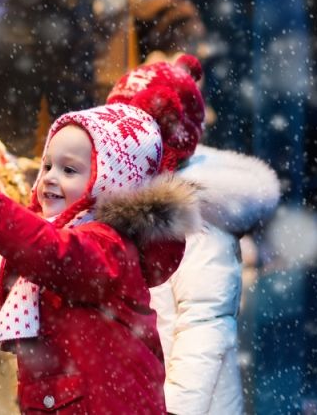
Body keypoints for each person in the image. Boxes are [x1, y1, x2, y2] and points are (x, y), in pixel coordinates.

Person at [0, 89, 201, 412]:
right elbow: (46, 270)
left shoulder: (107, 244)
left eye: (69, 170)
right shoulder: (71, 238)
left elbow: (54, 255)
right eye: (47, 165)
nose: (49, 178)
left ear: (108, 181)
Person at [106, 55, 281, 414]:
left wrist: (173, 409)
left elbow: (205, 327)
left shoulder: (195, 214)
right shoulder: (137, 204)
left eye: (124, 128)